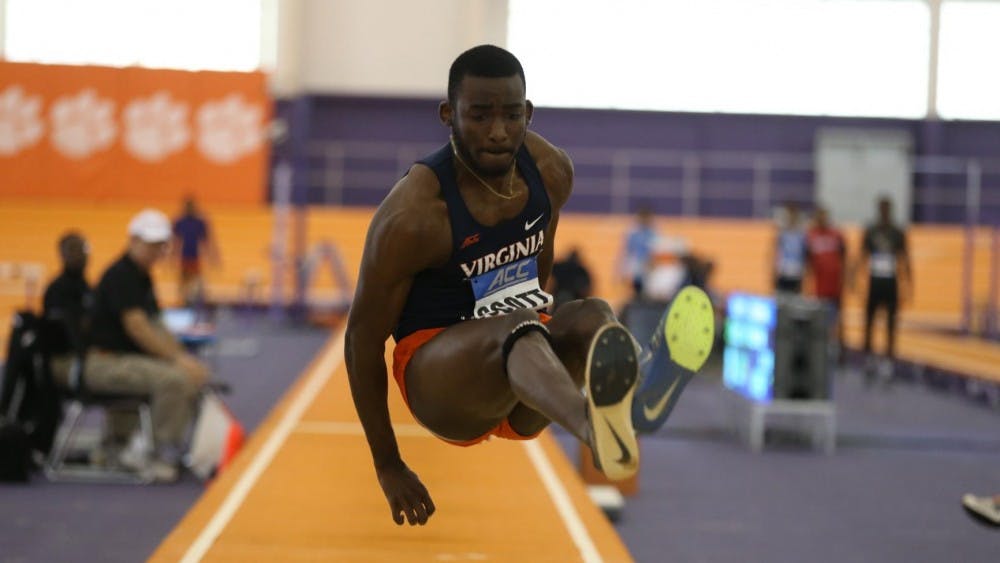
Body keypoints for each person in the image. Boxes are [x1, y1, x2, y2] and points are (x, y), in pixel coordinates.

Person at [344, 45, 713, 527]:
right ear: (447, 115)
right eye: (478, 116)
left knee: (593, 315)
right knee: (518, 325)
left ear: (528, 114)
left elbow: (537, 283)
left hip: (518, 377)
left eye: (511, 116)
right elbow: (360, 341)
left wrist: (555, 343)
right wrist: (388, 464)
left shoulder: (551, 175)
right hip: (441, 381)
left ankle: (639, 401)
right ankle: (593, 427)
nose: (498, 132)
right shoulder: (414, 217)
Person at [86, 208, 210, 481]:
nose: (156, 252)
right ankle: (152, 451)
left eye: (160, 246)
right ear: (133, 240)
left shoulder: (142, 277)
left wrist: (184, 357)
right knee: (174, 381)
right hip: (104, 361)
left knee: (187, 374)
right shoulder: (121, 276)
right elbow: (138, 327)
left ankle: (134, 444)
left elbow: (157, 325)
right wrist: (177, 360)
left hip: (124, 360)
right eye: (151, 245)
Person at [852, 196, 912, 383]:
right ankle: (869, 359)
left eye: (887, 209)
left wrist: (908, 284)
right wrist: (855, 278)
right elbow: (862, 256)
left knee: (890, 325)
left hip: (890, 283)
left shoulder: (897, 233)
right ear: (879, 210)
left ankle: (888, 363)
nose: (884, 212)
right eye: (882, 209)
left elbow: (905, 259)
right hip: (875, 282)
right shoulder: (871, 231)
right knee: (869, 322)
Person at [43, 231, 93, 387]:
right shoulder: (57, 289)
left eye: (82, 249)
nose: (79, 255)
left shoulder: (86, 287)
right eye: (72, 250)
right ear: (62, 255)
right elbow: (66, 330)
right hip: (67, 358)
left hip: (86, 354)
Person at [804, 206, 847, 362]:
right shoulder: (811, 236)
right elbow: (807, 261)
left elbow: (844, 257)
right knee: (819, 319)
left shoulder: (837, 235)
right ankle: (817, 349)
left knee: (837, 320)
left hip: (835, 286)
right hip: (818, 287)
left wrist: (846, 280)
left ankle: (837, 351)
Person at [172, 196, 220, 307]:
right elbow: (175, 241)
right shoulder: (180, 221)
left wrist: (213, 257)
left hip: (195, 257)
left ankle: (201, 301)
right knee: (183, 280)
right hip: (184, 256)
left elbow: (207, 241)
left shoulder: (199, 222)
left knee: (198, 281)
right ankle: (182, 301)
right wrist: (172, 257)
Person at [618, 204, 658, 299]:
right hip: (637, 266)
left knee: (648, 291)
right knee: (637, 289)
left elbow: (656, 251)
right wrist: (622, 270)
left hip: (649, 266)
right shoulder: (633, 233)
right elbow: (627, 252)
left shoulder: (654, 233)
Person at [771, 201, 808, 294]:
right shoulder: (782, 234)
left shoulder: (801, 234)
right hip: (783, 269)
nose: (791, 218)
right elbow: (776, 251)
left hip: (797, 271)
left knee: (794, 298)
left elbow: (804, 253)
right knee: (781, 296)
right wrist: (774, 269)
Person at [548, 247, 593, 311]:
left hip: (560, 297)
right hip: (573, 302)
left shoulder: (559, 266)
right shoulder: (581, 270)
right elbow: (586, 289)